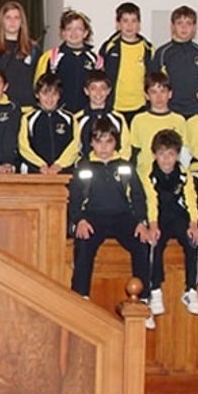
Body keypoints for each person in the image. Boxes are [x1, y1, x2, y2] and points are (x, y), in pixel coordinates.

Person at [68, 119, 150, 304]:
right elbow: (75, 197)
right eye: (98, 141)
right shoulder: (84, 167)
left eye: (109, 141)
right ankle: (80, 297)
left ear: (116, 143)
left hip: (122, 217)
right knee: (84, 243)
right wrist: (79, 220)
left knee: (142, 242)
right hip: (93, 216)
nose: (104, 147)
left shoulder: (125, 166)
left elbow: (138, 196)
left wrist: (140, 222)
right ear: (91, 143)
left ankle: (143, 299)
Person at [141, 129, 198, 321]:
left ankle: (191, 289)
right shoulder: (148, 174)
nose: (166, 159)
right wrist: (153, 225)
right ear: (154, 155)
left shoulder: (184, 174)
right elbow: (151, 201)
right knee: (155, 243)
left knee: (193, 240)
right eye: (161, 154)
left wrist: (193, 223)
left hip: (178, 217)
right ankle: (155, 289)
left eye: (171, 154)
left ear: (177, 155)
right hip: (158, 217)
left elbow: (191, 199)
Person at [98, 2, 153, 125]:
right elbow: (99, 76)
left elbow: (151, 78)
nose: (129, 25)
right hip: (114, 107)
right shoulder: (109, 47)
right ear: (118, 24)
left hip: (140, 107)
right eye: (125, 21)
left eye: (134, 21)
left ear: (139, 24)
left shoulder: (148, 49)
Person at [0, 1, 40, 109]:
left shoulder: (33, 50)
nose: (12, 21)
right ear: (1, 21)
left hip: (25, 108)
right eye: (8, 17)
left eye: (17, 18)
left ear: (22, 22)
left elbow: (38, 81)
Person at [149, 5, 198, 118]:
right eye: (179, 23)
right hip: (169, 111)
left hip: (196, 111)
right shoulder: (162, 53)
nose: (184, 27)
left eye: (188, 23)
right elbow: (152, 84)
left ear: (194, 27)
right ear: (172, 26)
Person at [37, 8, 98, 114]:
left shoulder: (95, 59)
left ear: (85, 33)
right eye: (69, 28)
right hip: (59, 114)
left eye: (79, 29)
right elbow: (39, 88)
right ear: (63, 33)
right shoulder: (50, 57)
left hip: (86, 114)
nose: (74, 33)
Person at [129, 72, 187, 177]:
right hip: (144, 175)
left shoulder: (179, 120)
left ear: (170, 94)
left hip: (171, 174)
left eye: (163, 91)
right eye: (153, 92)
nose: (159, 97)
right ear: (146, 96)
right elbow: (134, 152)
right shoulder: (138, 120)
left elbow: (183, 152)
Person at [18, 73, 78, 174]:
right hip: (36, 172)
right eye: (45, 93)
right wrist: (40, 165)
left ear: (59, 95)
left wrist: (60, 164)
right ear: (37, 94)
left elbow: (76, 144)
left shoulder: (70, 118)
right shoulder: (28, 119)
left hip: (64, 172)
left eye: (54, 94)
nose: (49, 99)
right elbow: (23, 146)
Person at [70, 70, 131, 164]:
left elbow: (125, 148)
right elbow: (73, 147)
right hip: (88, 166)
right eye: (93, 88)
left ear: (109, 91)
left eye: (103, 88)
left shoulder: (118, 118)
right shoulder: (77, 119)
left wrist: (121, 163)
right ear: (86, 91)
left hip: (113, 166)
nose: (98, 93)